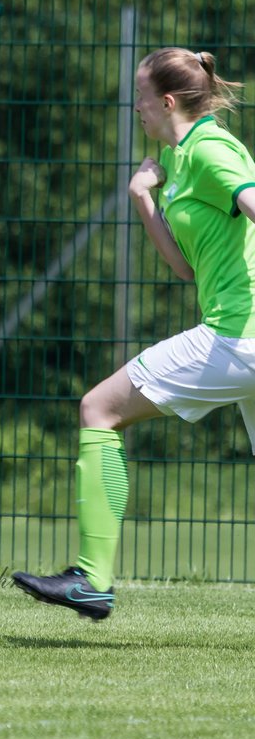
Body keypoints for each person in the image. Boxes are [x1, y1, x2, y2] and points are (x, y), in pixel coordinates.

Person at [13, 48, 255, 621]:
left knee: (98, 408)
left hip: (236, 336)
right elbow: (185, 268)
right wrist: (143, 197)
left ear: (167, 102)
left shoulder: (213, 149)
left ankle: (91, 579)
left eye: (140, 97)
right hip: (241, 337)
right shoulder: (185, 157)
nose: (135, 108)